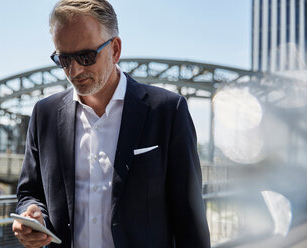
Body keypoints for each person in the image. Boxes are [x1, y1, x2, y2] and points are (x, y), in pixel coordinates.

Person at [12, 0, 211, 247]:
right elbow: (29, 191)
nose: (74, 71)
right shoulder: (45, 114)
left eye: (85, 56)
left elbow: (189, 218)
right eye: (64, 59)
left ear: (115, 50)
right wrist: (31, 212)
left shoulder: (168, 111)